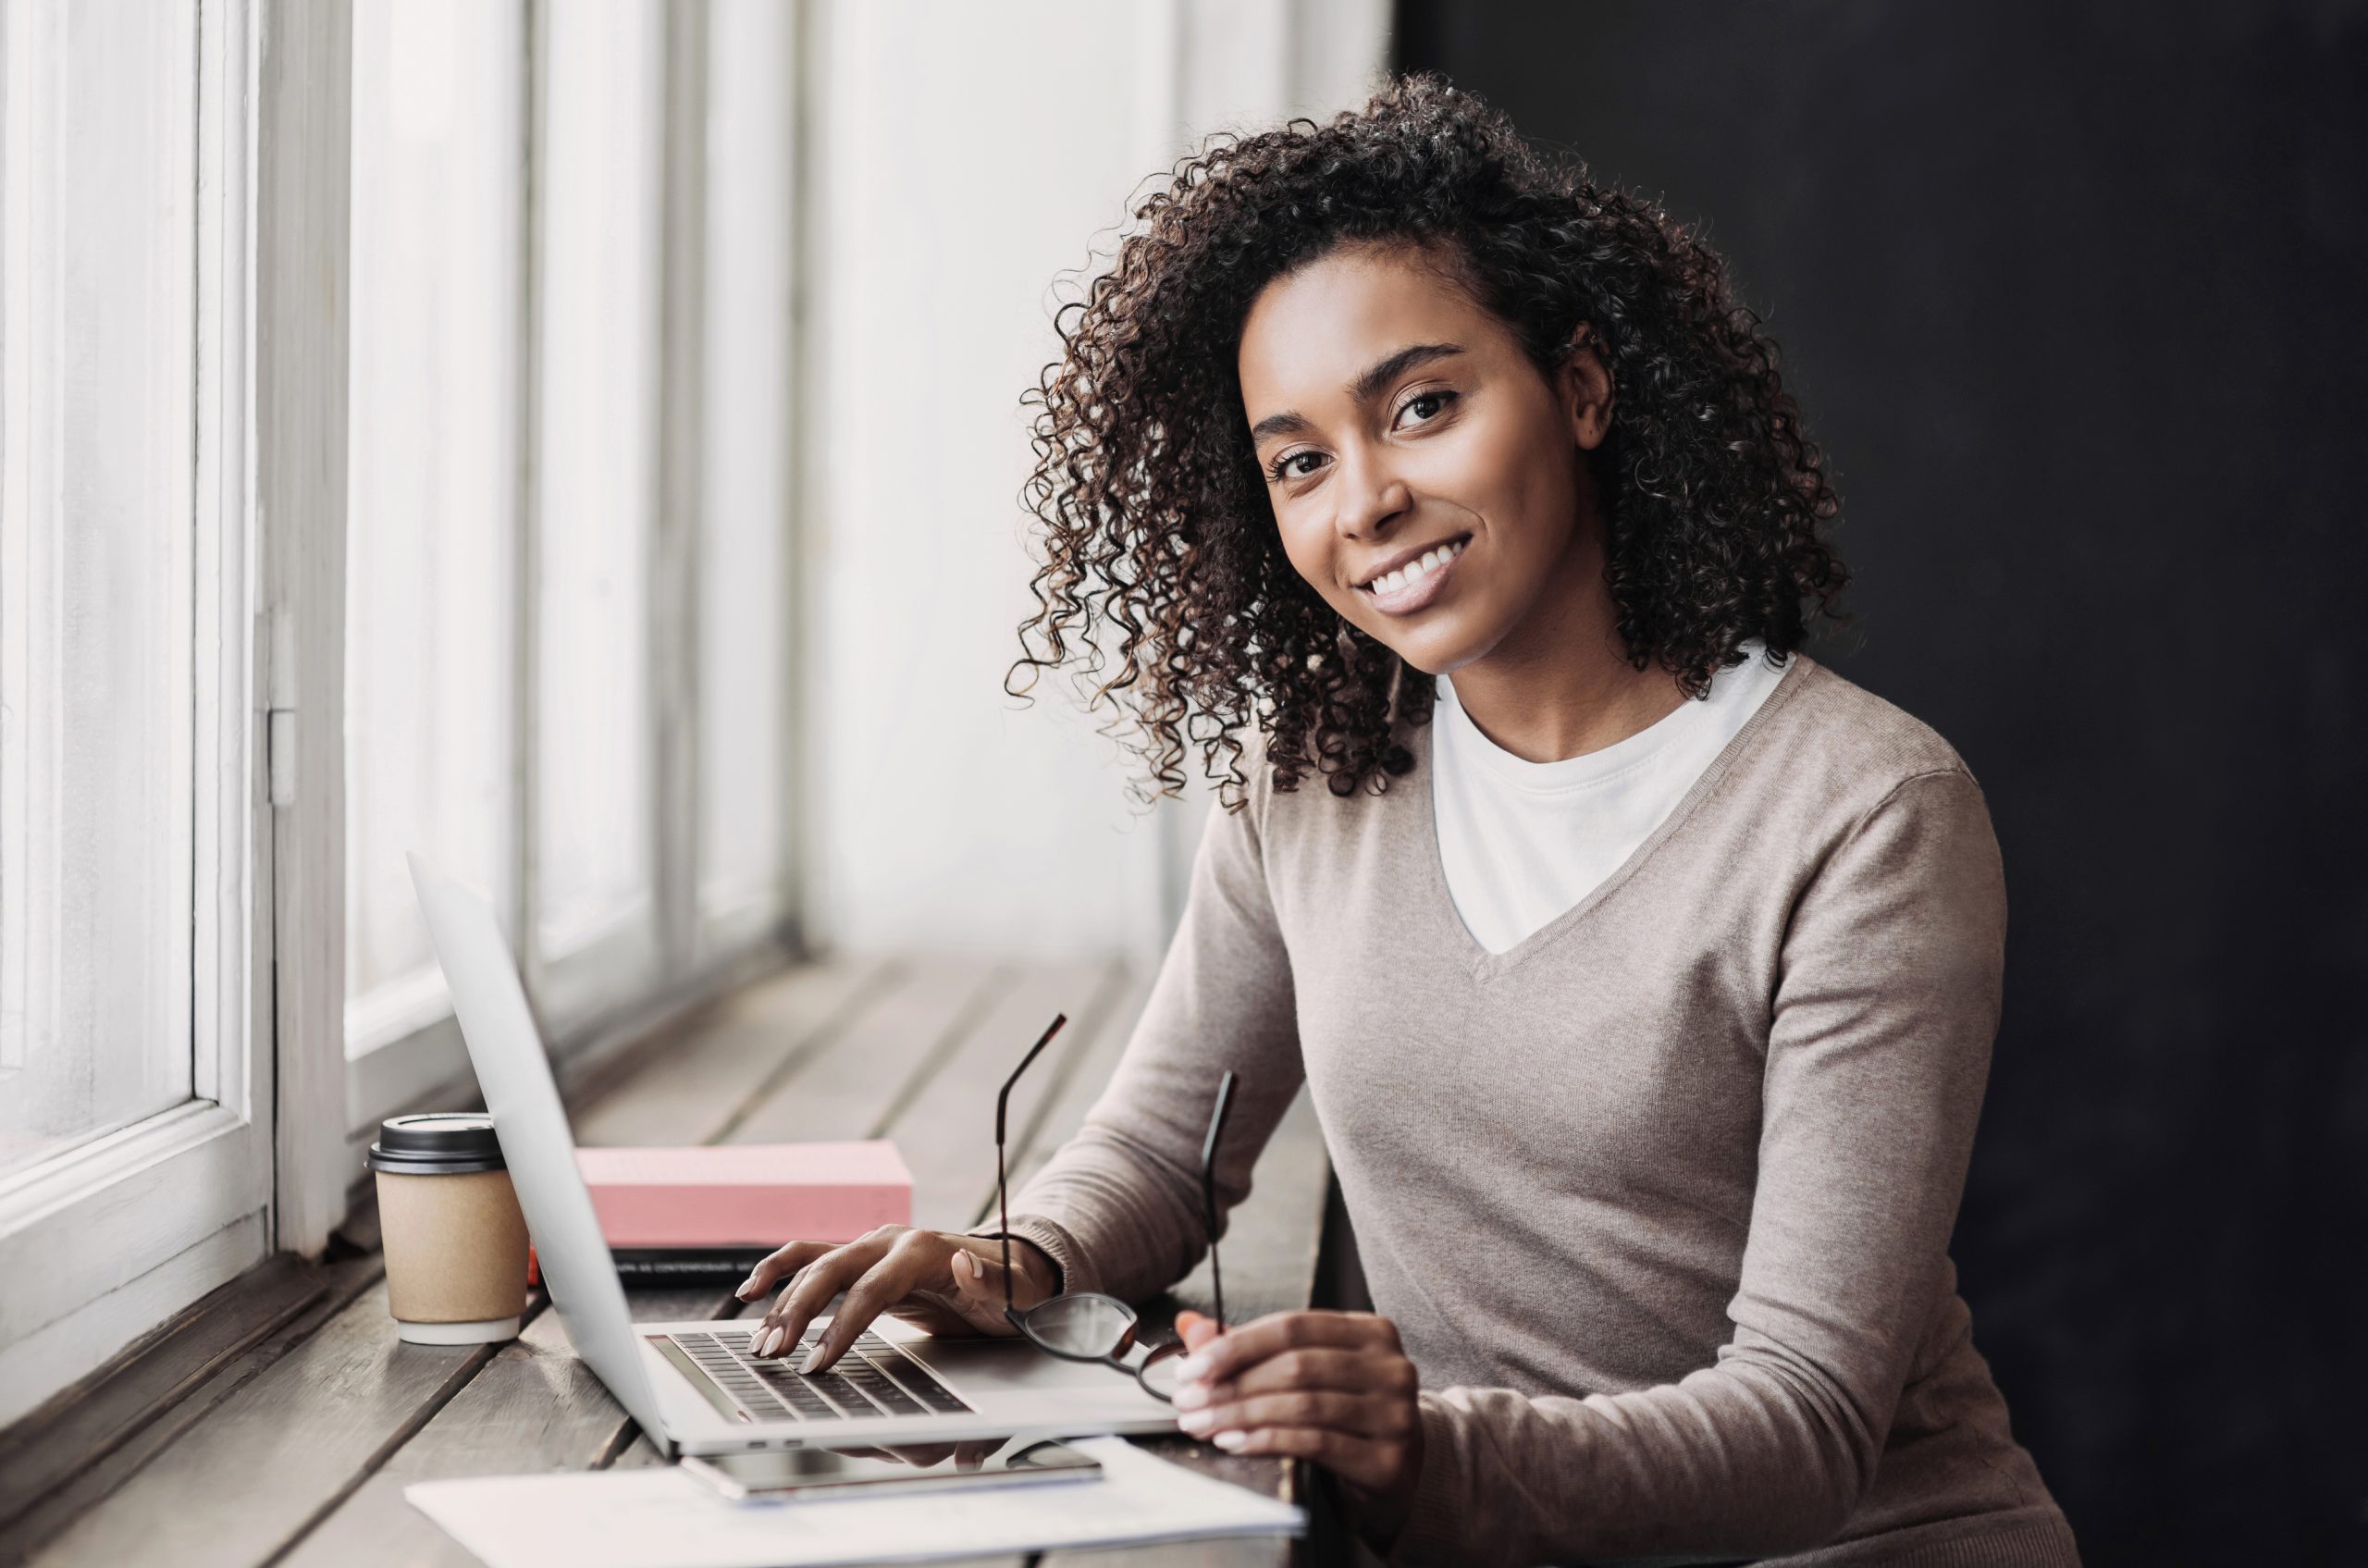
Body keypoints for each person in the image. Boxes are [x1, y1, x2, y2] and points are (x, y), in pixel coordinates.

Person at [730, 75, 2080, 1567]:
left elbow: (1808, 1427)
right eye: (1300, 459)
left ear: (1579, 391)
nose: (1364, 502)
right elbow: (1167, 1149)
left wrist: (1429, 1452)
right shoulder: (1316, 774)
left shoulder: (1865, 814)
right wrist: (1012, 1259)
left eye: (1421, 407)